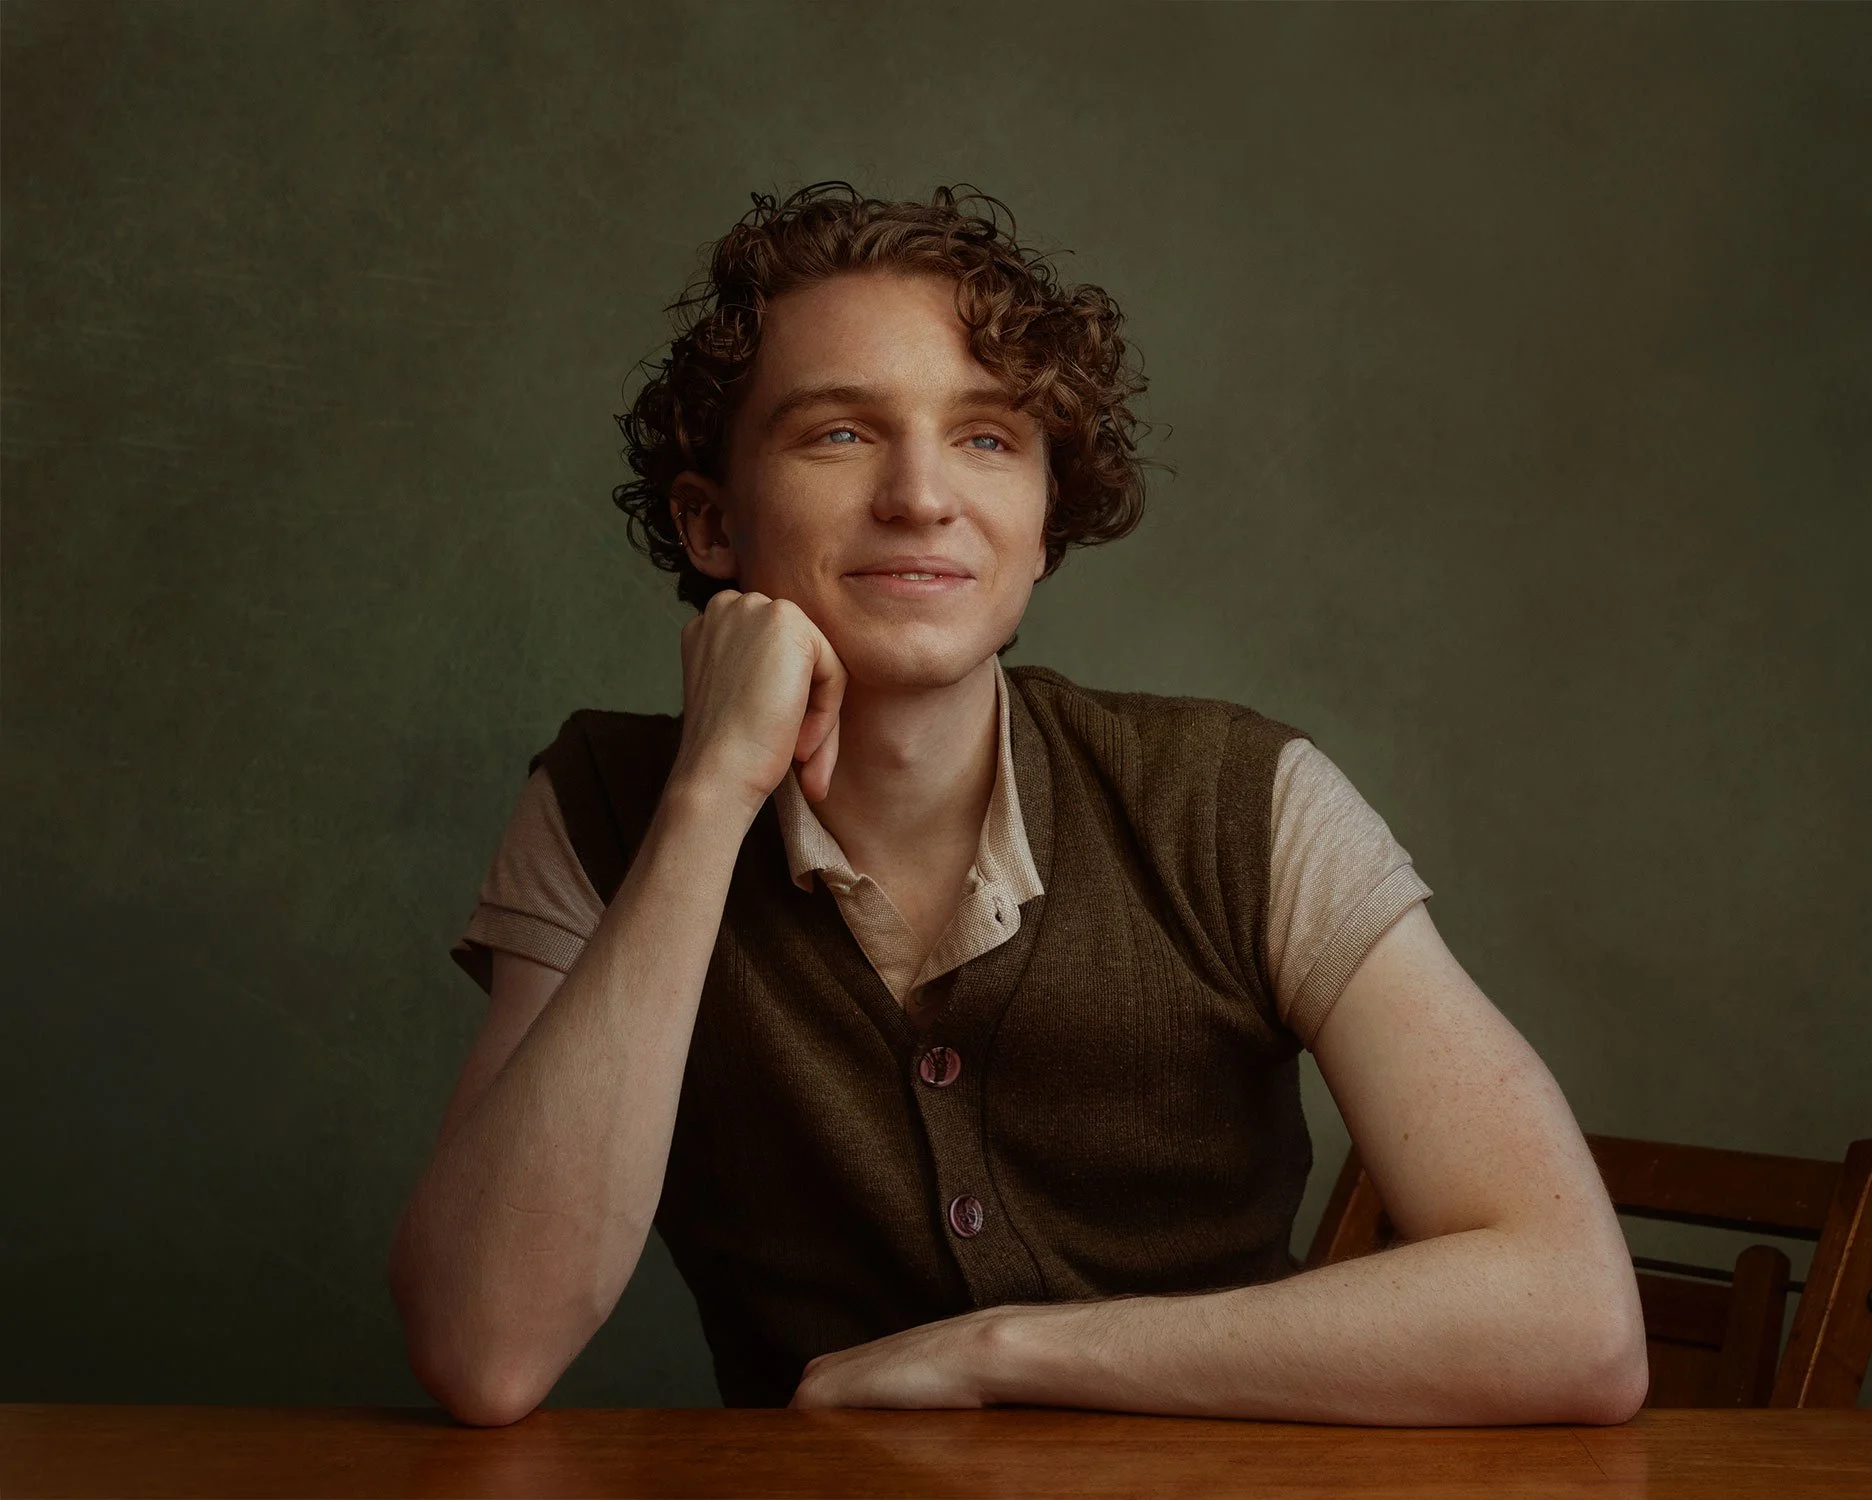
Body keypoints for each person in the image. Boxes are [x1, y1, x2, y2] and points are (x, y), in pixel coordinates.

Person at [386, 182, 1647, 1428]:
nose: (922, 495)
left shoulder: (1239, 803)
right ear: (712, 522)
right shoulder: (608, 807)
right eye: (839, 433)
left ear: (1045, 525)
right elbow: (486, 1351)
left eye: (988, 437)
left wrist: (1005, 1351)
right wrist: (711, 798)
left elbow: (1575, 1317)